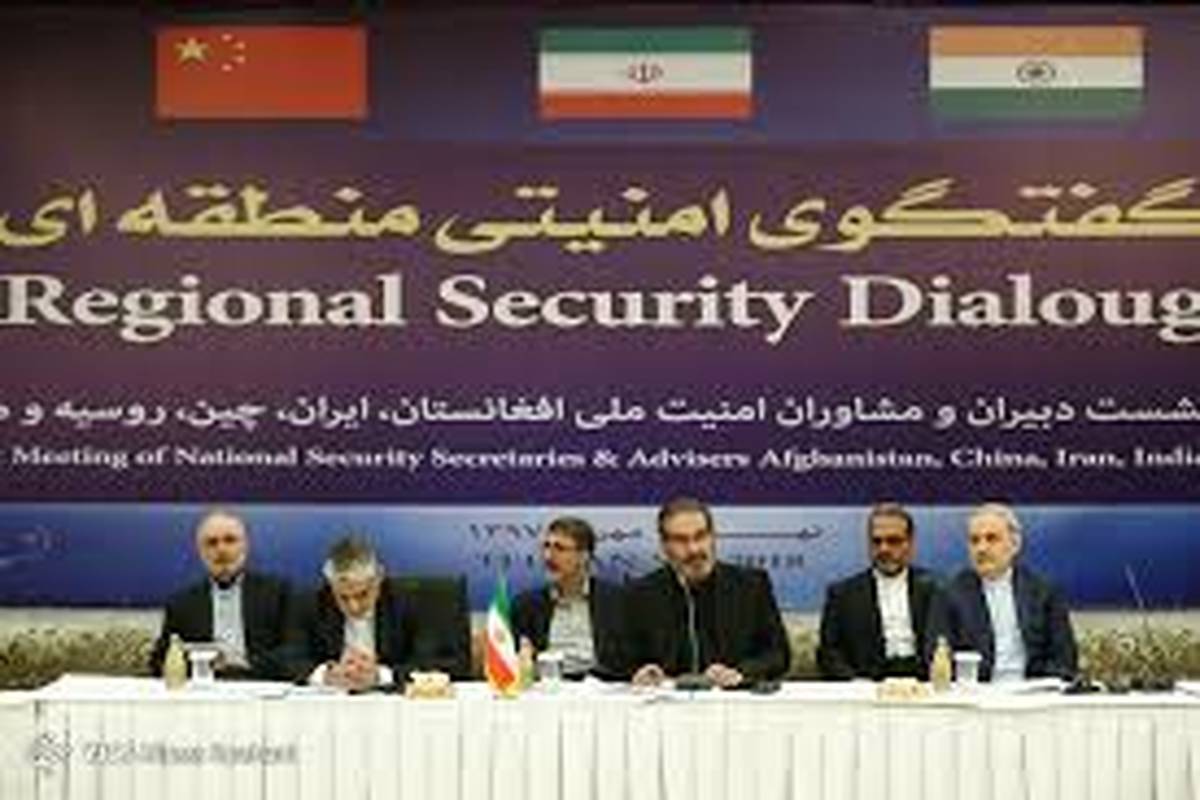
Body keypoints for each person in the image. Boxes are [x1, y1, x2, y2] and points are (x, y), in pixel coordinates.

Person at [626, 497, 789, 688]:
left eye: (700, 536)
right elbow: (622, 660)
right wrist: (641, 672)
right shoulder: (640, 594)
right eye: (681, 540)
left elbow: (778, 655)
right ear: (664, 546)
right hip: (665, 700)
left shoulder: (751, 586)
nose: (694, 549)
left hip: (732, 699)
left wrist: (740, 673)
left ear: (713, 537)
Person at [284, 535, 467, 690]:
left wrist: (381, 675)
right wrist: (325, 674)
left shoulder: (409, 603)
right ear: (330, 585)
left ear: (379, 579)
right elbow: (284, 658)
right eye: (343, 597)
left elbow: (440, 663)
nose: (354, 606)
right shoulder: (310, 603)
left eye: (362, 594)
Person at [928, 503, 1077, 681]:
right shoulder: (949, 593)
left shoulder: (1044, 592)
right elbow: (936, 656)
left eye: (991, 539)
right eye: (974, 540)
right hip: (974, 691)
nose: (981, 548)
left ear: (1015, 545)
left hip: (1032, 690)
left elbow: (1064, 659)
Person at [149, 509, 291, 680]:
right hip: (205, 688)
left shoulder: (279, 593)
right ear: (201, 552)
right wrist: (201, 662)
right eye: (212, 543)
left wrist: (243, 662)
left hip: (261, 684)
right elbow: (160, 660)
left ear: (245, 546)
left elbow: (294, 651)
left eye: (230, 540)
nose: (221, 549)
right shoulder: (182, 603)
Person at [817, 502, 940, 680]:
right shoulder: (842, 595)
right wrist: (856, 684)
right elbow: (828, 654)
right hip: (867, 685)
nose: (884, 549)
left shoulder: (937, 589)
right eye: (877, 541)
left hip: (924, 684)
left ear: (910, 544)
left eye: (893, 541)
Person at [511, 516, 626, 679]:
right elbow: (516, 656)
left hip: (600, 684)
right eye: (546, 547)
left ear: (583, 556)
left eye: (559, 548)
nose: (548, 556)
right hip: (548, 685)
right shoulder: (526, 604)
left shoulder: (615, 600)